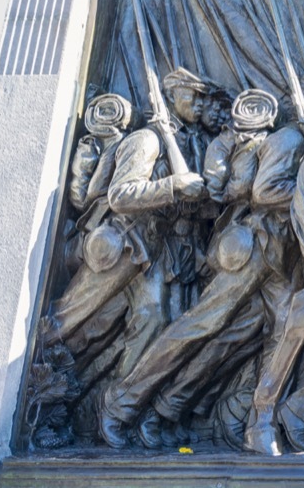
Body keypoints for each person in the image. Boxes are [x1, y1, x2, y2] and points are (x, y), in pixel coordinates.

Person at [97, 73, 304, 447]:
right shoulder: (289, 138)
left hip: (281, 254)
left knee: (279, 335)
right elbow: (264, 191)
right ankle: (122, 404)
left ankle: (255, 423)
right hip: (252, 247)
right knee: (199, 325)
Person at [43, 70, 211, 379]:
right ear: (171, 97)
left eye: (203, 97)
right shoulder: (147, 140)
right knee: (71, 319)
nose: (200, 103)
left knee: (151, 320)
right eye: (193, 95)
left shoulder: (184, 143)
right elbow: (121, 195)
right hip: (122, 242)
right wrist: (173, 185)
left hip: (150, 250)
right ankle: (40, 371)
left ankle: (114, 408)